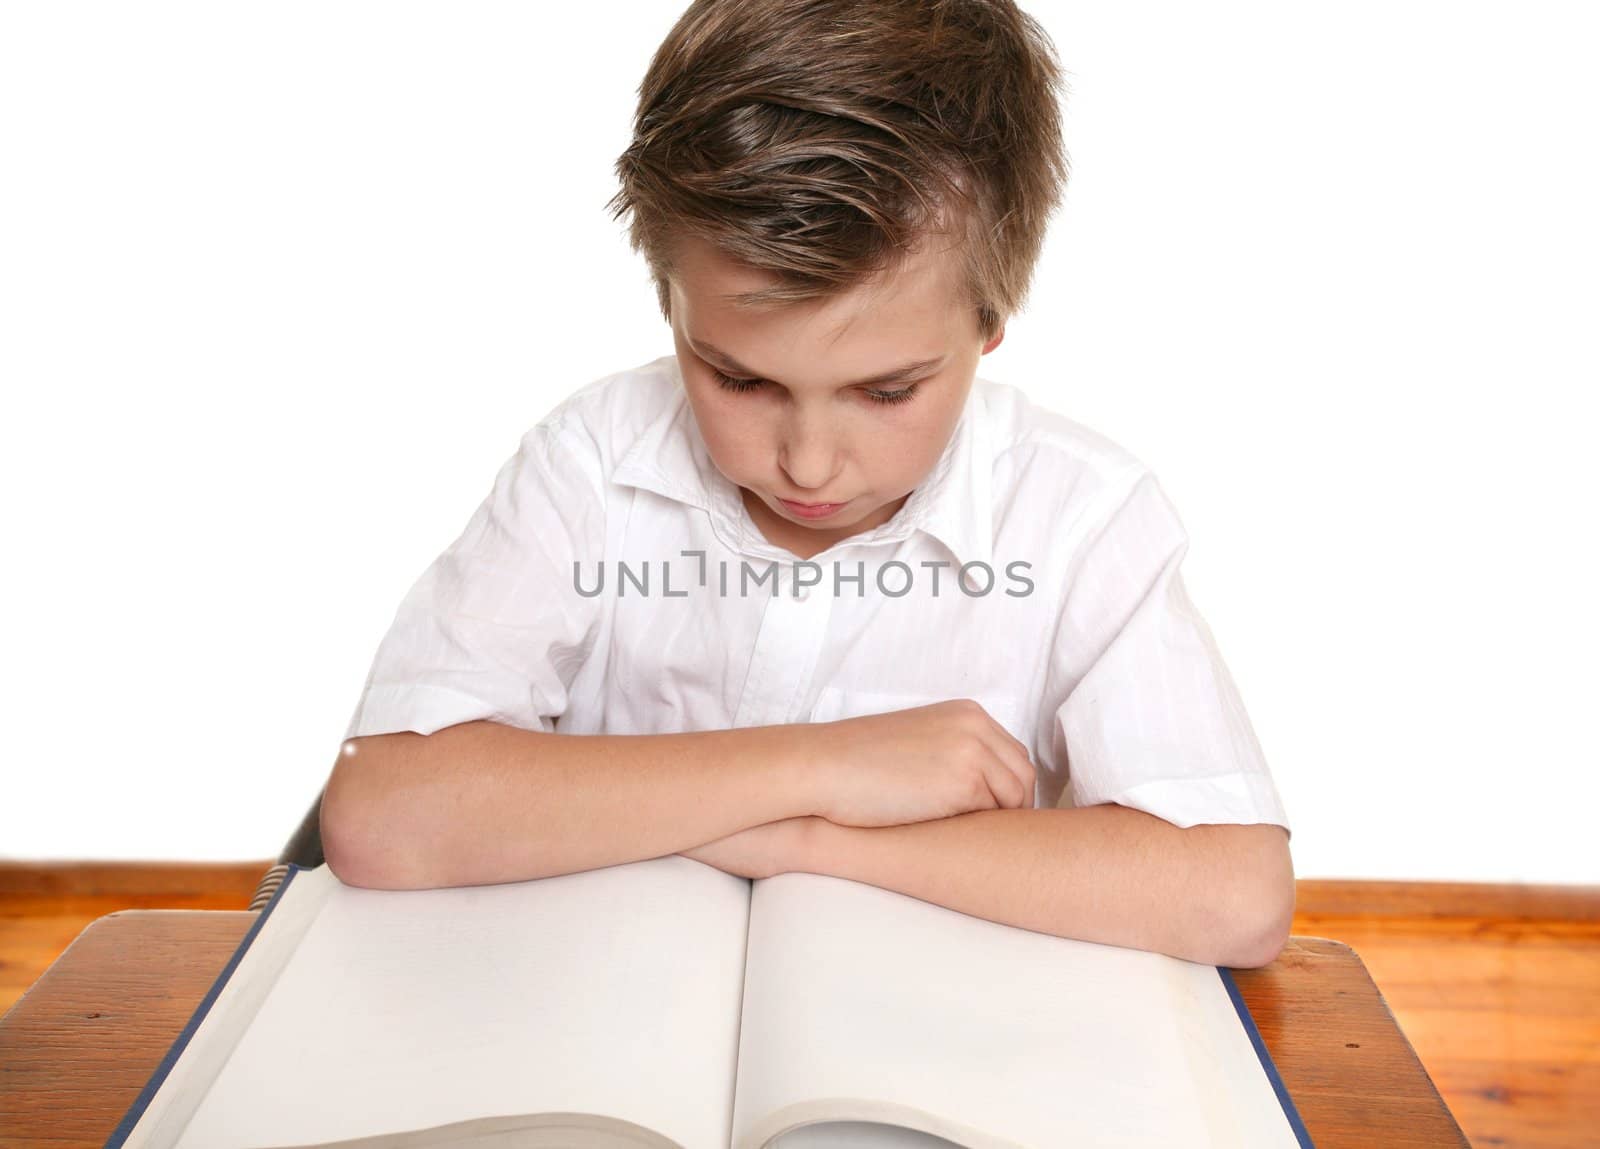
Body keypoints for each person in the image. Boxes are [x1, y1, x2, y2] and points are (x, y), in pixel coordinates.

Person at [322, 0, 1295, 969]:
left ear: (989, 324)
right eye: (740, 378)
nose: (808, 463)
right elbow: (386, 811)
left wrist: (796, 840)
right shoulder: (594, 457)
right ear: (669, 299)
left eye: (885, 390)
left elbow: (1231, 894)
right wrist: (823, 764)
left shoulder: (1080, 515)